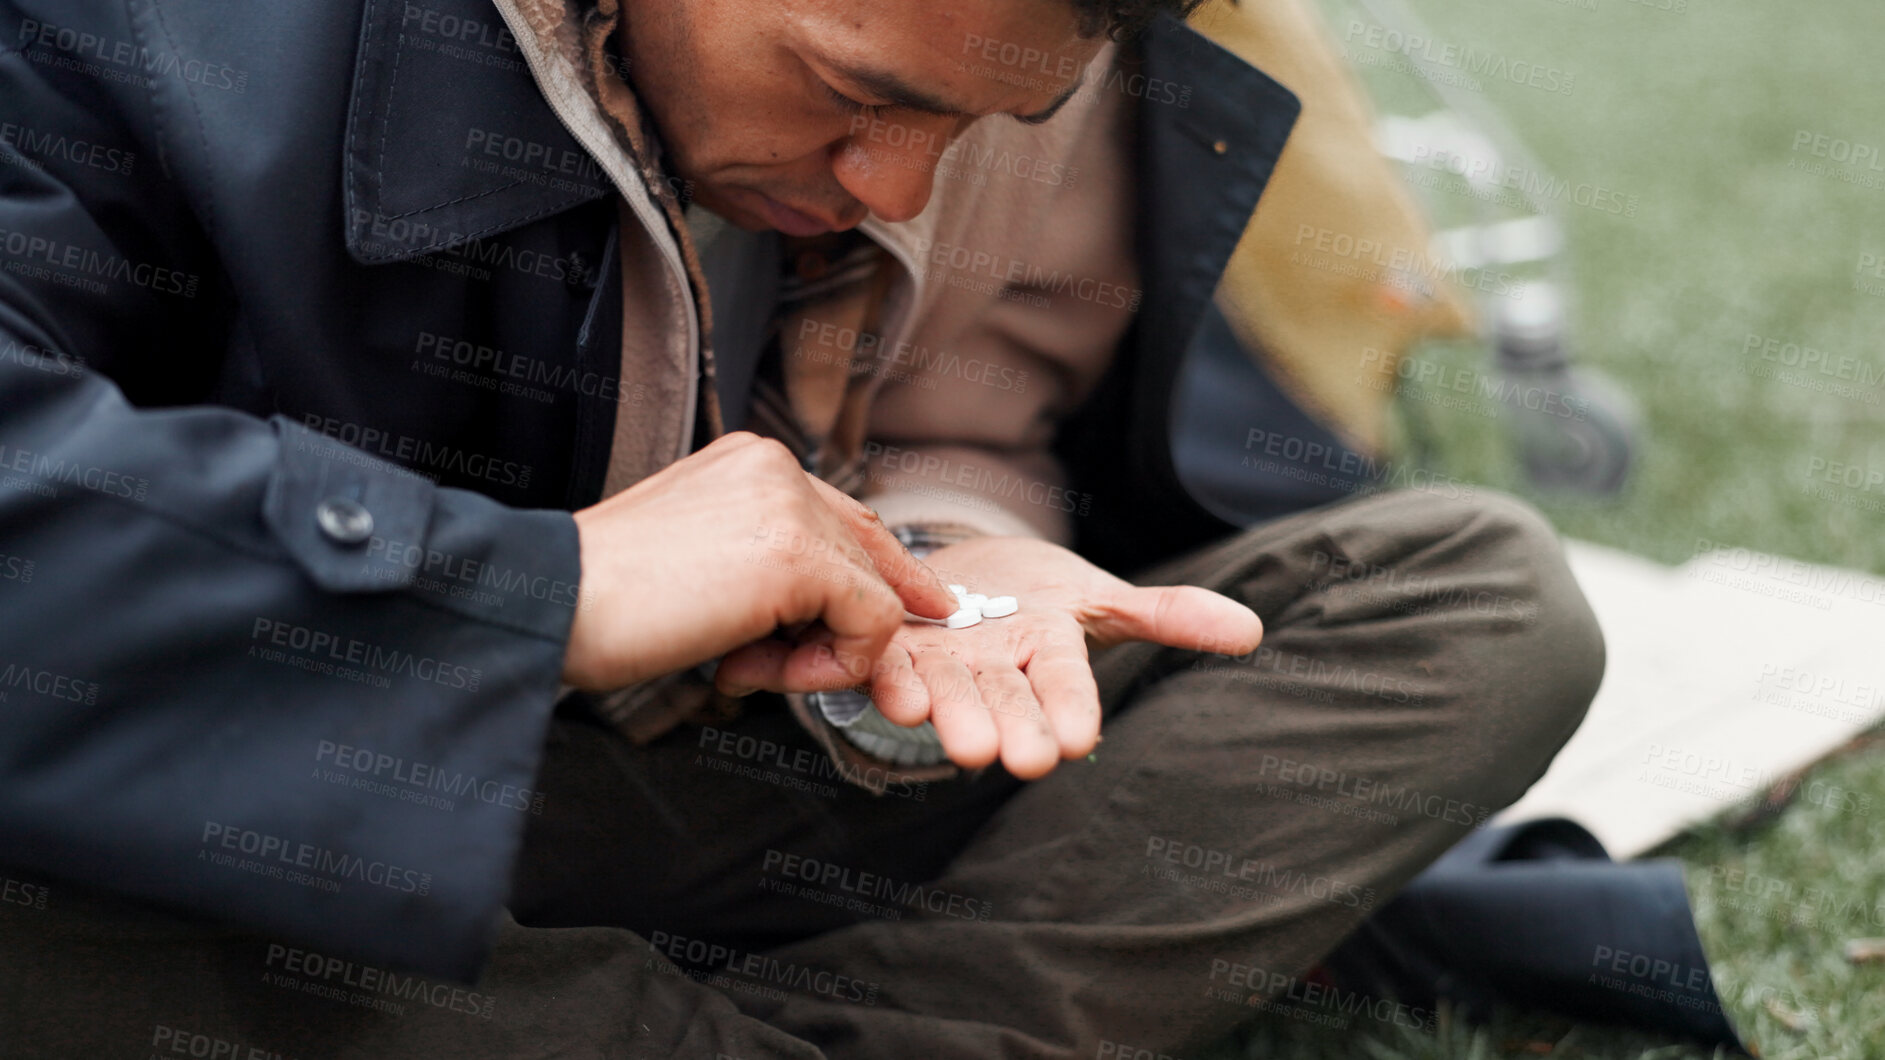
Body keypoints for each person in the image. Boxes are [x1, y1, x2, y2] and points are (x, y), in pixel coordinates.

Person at [0, 0, 1604, 1055]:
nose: (895, 182)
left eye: (975, 130)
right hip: (250, 780)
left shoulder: (1015, 65)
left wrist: (935, 545)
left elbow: (962, 405)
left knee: (1470, 596)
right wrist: (536, 592)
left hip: (647, 782)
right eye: (853, 94)